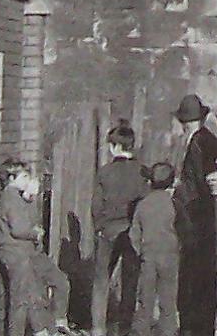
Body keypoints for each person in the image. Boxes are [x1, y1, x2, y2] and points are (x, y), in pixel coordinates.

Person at [0, 157, 74, 336]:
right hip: (16, 254)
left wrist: (30, 198)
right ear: (11, 179)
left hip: (26, 253)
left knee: (34, 294)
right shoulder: (10, 197)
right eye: (24, 177)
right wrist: (36, 233)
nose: (28, 180)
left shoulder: (17, 197)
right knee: (22, 301)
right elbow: (19, 228)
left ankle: (51, 327)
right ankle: (44, 330)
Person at [91, 120, 149, 336]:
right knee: (130, 281)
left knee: (101, 280)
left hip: (108, 231)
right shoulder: (142, 172)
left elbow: (96, 205)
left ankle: (98, 328)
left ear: (115, 147)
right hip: (131, 231)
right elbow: (144, 201)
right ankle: (124, 328)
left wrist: (99, 226)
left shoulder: (105, 172)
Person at [173, 94, 217, 336]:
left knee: (196, 278)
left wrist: (178, 193)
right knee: (201, 280)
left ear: (185, 123)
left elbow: (198, 182)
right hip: (203, 219)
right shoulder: (207, 139)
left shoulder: (198, 143)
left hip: (197, 219)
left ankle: (196, 329)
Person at [128, 163, 180, 336]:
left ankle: (142, 331)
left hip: (148, 256)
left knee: (145, 300)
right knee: (168, 300)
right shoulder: (174, 204)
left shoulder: (143, 204)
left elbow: (133, 233)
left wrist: (140, 252)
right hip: (170, 256)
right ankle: (168, 331)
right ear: (171, 182)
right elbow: (182, 229)